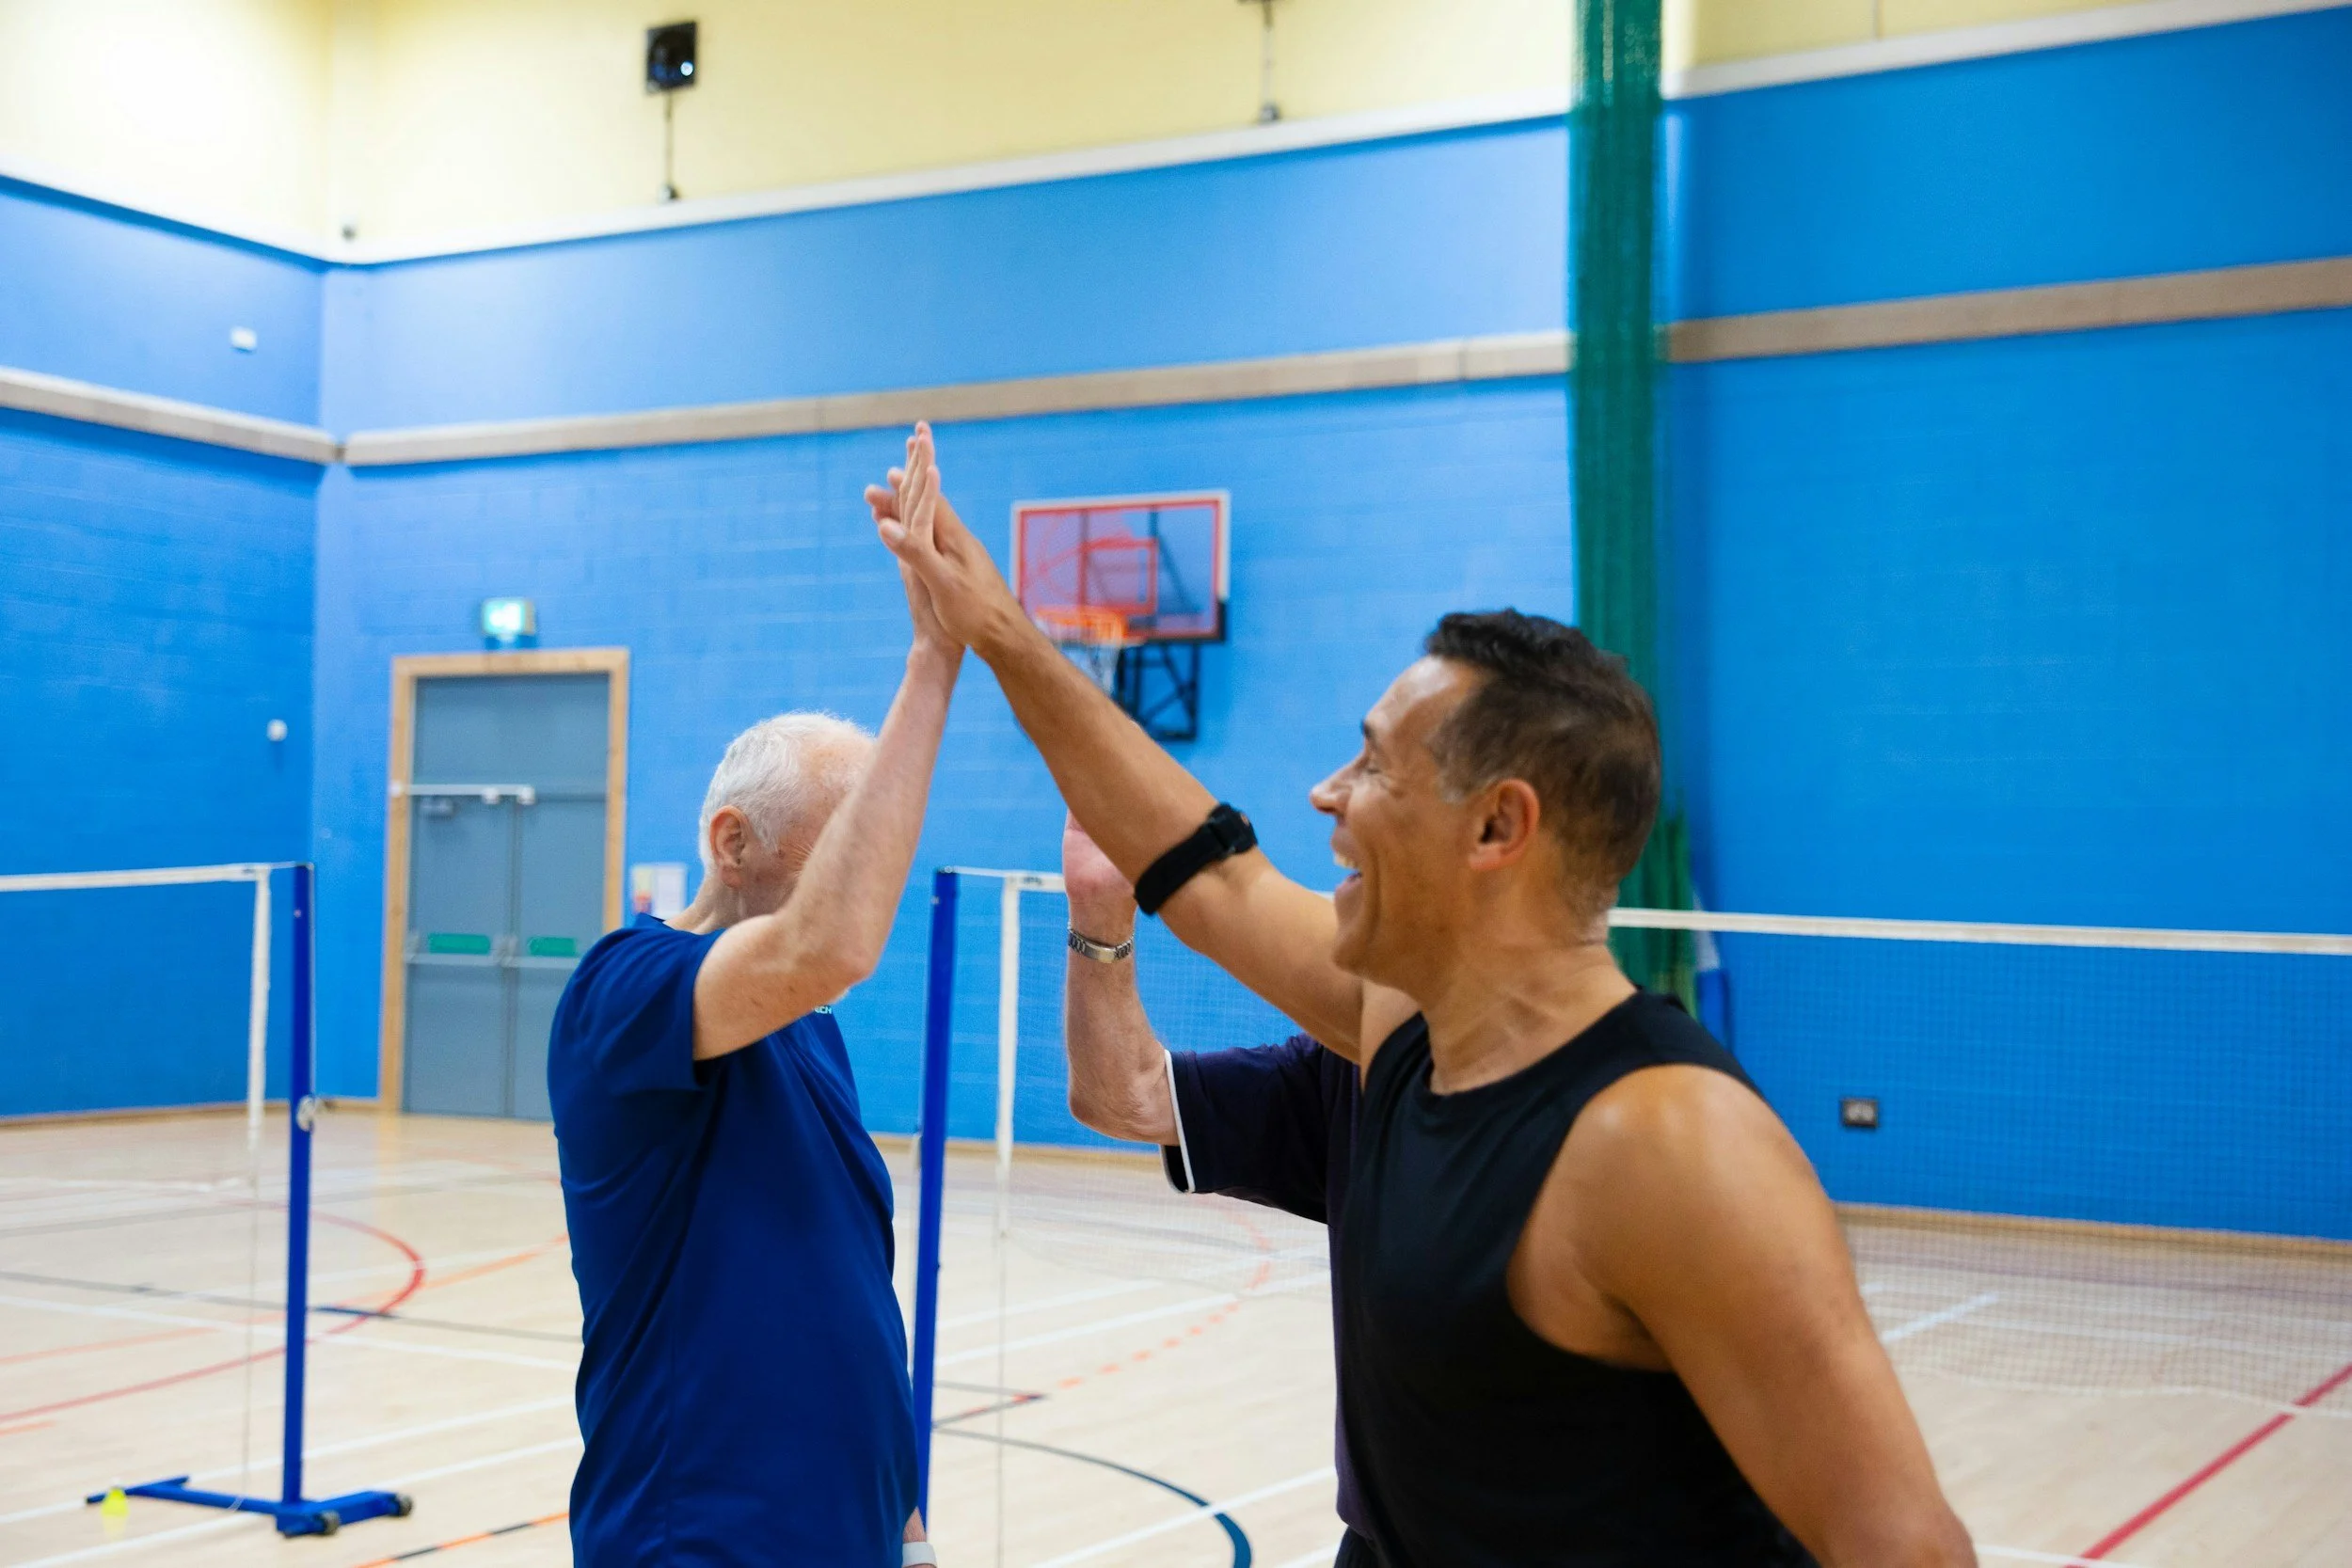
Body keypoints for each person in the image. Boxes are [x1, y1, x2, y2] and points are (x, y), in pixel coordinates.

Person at [869, 428, 1975, 1567]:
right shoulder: (1401, 1022)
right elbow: (1208, 872)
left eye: (1373, 767)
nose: (1325, 795)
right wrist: (998, 634)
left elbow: (1905, 1547)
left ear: (1499, 825)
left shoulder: (1669, 1144)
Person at [548, 433, 959, 1567]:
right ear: (734, 841)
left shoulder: (807, 1033)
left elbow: (846, 1289)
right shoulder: (620, 992)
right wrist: (933, 658)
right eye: (849, 835)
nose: (878, 866)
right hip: (698, 1539)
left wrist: (908, 1518)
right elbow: (830, 941)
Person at [1057, 813, 1372, 1556]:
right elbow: (1124, 1094)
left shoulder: (1626, 1106)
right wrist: (1101, 908)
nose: (1329, 796)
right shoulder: (1349, 1068)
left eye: (1381, 767)